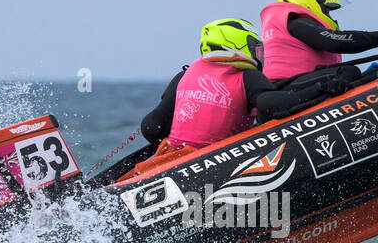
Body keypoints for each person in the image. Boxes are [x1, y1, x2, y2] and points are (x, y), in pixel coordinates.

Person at [140, 18, 339, 151]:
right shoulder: (246, 75)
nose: (258, 54)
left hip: (177, 159)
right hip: (219, 160)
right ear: (236, 45)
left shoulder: (183, 76)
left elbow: (153, 128)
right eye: (255, 48)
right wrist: (321, 89)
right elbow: (272, 105)